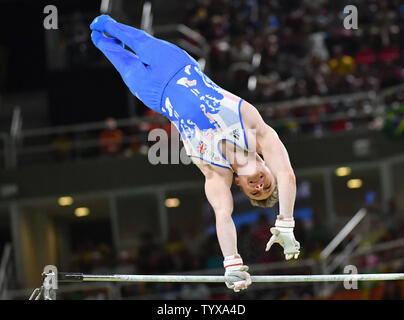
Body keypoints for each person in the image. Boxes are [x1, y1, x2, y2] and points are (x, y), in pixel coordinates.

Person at [89, 15, 300, 293]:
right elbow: (286, 173)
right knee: (120, 32)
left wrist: (232, 263)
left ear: (240, 185)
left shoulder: (215, 173)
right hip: (178, 66)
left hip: (154, 95)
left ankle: (96, 37)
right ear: (266, 165)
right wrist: (285, 221)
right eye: (266, 184)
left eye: (256, 192)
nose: (260, 185)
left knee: (103, 45)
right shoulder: (256, 130)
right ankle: (104, 21)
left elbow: (223, 216)